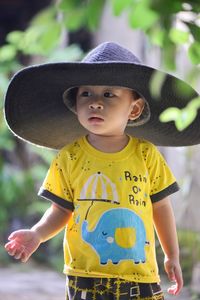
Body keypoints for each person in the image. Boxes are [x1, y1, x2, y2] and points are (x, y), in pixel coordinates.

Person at [4, 42, 200, 300]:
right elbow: (61, 210)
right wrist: (37, 234)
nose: (95, 103)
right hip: (84, 276)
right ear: (75, 103)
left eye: (109, 94)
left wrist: (171, 254)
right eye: (86, 94)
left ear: (134, 109)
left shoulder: (146, 155)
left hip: (139, 276)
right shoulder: (69, 157)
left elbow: (160, 207)